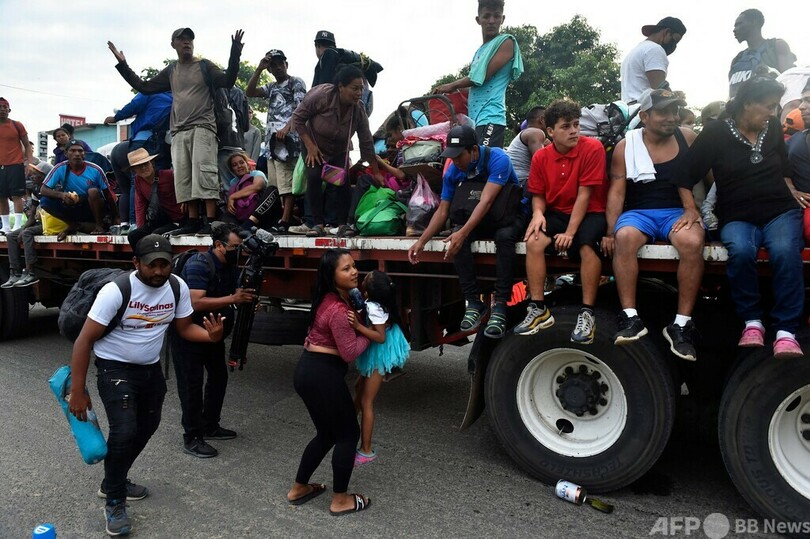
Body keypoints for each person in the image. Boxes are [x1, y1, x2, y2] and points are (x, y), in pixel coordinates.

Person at [67, 234, 224, 536]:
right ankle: (114, 500)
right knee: (124, 431)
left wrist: (211, 337)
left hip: (150, 369)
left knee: (147, 426)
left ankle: (115, 477)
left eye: (165, 265)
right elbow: (84, 340)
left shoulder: (176, 287)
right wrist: (78, 390)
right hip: (114, 367)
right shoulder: (117, 291)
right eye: (152, 265)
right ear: (136, 263)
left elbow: (184, 328)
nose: (159, 272)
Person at [690, 77, 804, 358]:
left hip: (779, 210)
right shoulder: (715, 132)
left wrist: (791, 189)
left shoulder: (773, 127)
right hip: (737, 215)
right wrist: (689, 208)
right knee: (740, 251)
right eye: (768, 106)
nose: (772, 113)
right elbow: (686, 174)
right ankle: (752, 323)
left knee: (785, 250)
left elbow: (784, 166)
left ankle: (786, 331)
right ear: (747, 104)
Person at [108, 27, 244, 237]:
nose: (187, 42)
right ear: (173, 44)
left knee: (204, 174)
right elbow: (144, 87)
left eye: (189, 38)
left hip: (203, 127)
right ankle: (191, 221)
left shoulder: (204, 65)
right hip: (179, 131)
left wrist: (235, 53)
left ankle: (210, 220)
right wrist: (123, 64)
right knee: (183, 176)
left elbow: (228, 81)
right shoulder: (172, 71)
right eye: (181, 39)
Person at [602, 89, 703, 361]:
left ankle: (681, 323)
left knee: (692, 242)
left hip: (677, 211)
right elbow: (617, 192)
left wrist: (702, 211)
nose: (671, 117)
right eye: (663, 112)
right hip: (640, 212)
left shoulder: (688, 138)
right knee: (625, 238)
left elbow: (712, 176)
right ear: (644, 116)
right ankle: (630, 317)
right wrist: (610, 230)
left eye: (675, 111)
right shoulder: (627, 145)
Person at [407, 125, 527, 339]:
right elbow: (443, 210)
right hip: (481, 218)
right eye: (451, 157)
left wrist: (463, 233)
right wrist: (421, 242)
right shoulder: (453, 170)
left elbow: (486, 200)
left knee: (503, 238)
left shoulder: (498, 159)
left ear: (473, 150)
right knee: (456, 239)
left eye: (459, 156)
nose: (455, 161)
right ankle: (473, 302)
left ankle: (500, 305)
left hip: (508, 216)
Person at [512, 100, 607, 343]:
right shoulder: (541, 157)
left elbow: (585, 196)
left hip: (590, 213)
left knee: (586, 246)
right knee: (533, 240)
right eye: (566, 126)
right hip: (557, 212)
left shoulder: (593, 148)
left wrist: (570, 233)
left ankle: (587, 312)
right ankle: (538, 308)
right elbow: (538, 195)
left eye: (576, 125)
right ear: (550, 132)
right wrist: (538, 214)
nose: (574, 131)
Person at [288, 248, 372, 515]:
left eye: (354, 266)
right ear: (331, 275)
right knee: (348, 435)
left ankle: (299, 488)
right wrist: (371, 334)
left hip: (308, 372)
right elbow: (349, 351)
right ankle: (340, 499)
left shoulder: (327, 298)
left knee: (326, 434)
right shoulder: (337, 309)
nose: (354, 271)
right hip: (323, 376)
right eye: (346, 269)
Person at [171, 222, 256, 458]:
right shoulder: (200, 263)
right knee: (192, 385)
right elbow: (195, 301)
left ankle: (210, 425)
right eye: (235, 246)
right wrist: (233, 298)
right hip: (189, 332)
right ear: (219, 245)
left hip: (213, 333)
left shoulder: (230, 265)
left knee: (218, 376)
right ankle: (192, 437)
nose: (239, 251)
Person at [289, 65, 385, 237]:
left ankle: (342, 224)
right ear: (341, 87)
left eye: (361, 89)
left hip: (339, 149)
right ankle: (317, 224)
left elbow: (366, 141)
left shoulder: (359, 109)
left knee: (343, 181)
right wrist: (310, 147)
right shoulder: (321, 97)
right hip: (314, 145)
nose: (359, 93)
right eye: (354, 88)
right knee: (314, 176)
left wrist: (376, 172)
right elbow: (297, 119)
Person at [433, 0, 524, 148]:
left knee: (485, 165)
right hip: (475, 121)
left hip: (491, 117)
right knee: (472, 167)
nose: (491, 21)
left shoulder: (506, 42)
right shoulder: (479, 51)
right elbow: (475, 86)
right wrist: (452, 94)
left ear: (503, 19)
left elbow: (481, 77)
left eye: (496, 16)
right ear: (478, 20)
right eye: (486, 16)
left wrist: (451, 85)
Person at [349, 270, 410, 467]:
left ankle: (366, 450)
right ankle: (349, 426)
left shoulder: (374, 307)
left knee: (367, 401)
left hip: (380, 350)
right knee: (359, 387)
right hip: (380, 347)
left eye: (364, 280)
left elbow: (380, 337)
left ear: (368, 291)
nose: (361, 278)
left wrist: (358, 326)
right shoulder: (380, 303)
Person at [246, 49, 307, 230]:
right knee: (275, 185)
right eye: (273, 65)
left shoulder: (295, 82)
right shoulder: (271, 87)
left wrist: (286, 128)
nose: (278, 67)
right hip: (271, 143)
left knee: (287, 183)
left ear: (286, 64)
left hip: (288, 142)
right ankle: (281, 218)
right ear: (270, 69)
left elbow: (301, 109)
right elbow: (250, 92)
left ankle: (285, 220)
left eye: (281, 63)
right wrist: (258, 69)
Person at [105, 91, 173, 234]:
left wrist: (116, 117)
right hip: (164, 143)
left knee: (135, 183)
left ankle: (134, 224)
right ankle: (158, 220)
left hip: (143, 139)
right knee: (159, 180)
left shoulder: (153, 89)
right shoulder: (177, 95)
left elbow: (135, 105)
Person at [39, 139, 118, 236]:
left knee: (93, 191)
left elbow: (108, 194)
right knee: (45, 201)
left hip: (92, 205)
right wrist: (62, 195)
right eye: (72, 151)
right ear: (66, 154)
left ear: (84, 154)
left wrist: (116, 216)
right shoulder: (60, 168)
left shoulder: (95, 169)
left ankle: (99, 225)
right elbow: (43, 189)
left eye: (80, 151)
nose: (77, 154)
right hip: (72, 204)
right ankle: (72, 224)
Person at [1, 161, 51, 288]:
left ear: (45, 176)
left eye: (36, 174)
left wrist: (25, 230)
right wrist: (23, 228)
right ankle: (15, 273)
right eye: (32, 174)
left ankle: (31, 271)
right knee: (12, 236)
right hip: (41, 223)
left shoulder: (52, 189)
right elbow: (32, 216)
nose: (32, 176)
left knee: (27, 233)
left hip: (53, 224)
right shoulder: (35, 191)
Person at [729, 9, 796, 98]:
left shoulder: (775, 46)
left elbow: (790, 81)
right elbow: (732, 94)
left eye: (739, 24)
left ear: (754, 22)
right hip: (742, 110)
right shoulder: (738, 59)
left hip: (772, 109)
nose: (734, 30)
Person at [126, 148, 184, 247]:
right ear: (134, 170)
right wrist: (141, 228)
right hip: (158, 220)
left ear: (152, 163)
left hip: (177, 220)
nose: (144, 168)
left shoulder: (169, 175)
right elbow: (140, 206)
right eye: (139, 166)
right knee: (133, 235)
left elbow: (185, 188)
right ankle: (141, 261)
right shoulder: (138, 181)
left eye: (146, 164)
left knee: (155, 235)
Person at [620, 17, 687, 103]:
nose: (674, 45)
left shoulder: (638, 50)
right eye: (675, 40)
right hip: (644, 110)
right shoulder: (655, 49)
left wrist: (672, 94)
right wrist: (675, 98)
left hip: (630, 109)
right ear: (667, 32)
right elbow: (660, 88)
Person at [0, 97, 34, 235]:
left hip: (15, 165)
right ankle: (5, 226)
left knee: (17, 195)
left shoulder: (17, 125)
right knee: (1, 197)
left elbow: (27, 145)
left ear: (9, 110)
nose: (2, 110)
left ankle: (18, 225)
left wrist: (30, 163)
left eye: (4, 107)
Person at [787, 79, 810, 243]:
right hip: (798, 212)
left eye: (808, 100)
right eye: (802, 100)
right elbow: (773, 166)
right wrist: (790, 188)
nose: (801, 106)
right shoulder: (795, 140)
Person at [505, 106, 548, 185]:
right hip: (521, 184)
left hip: (512, 183)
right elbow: (542, 164)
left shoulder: (526, 133)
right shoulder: (536, 133)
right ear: (542, 120)